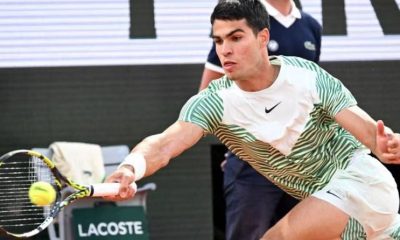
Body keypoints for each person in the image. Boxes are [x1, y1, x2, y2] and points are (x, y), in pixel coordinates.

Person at [105, 0, 400, 239]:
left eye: (235, 38)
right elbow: (164, 144)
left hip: (362, 185)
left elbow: (369, 133)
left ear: (263, 38)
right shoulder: (213, 102)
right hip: (341, 210)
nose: (225, 50)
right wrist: (131, 168)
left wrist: (385, 145)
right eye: (218, 40)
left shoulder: (306, 77)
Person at [198, 1, 322, 239]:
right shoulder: (241, 22)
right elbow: (207, 98)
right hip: (253, 164)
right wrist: (239, 144)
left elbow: (312, 94)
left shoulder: (311, 26)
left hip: (302, 162)